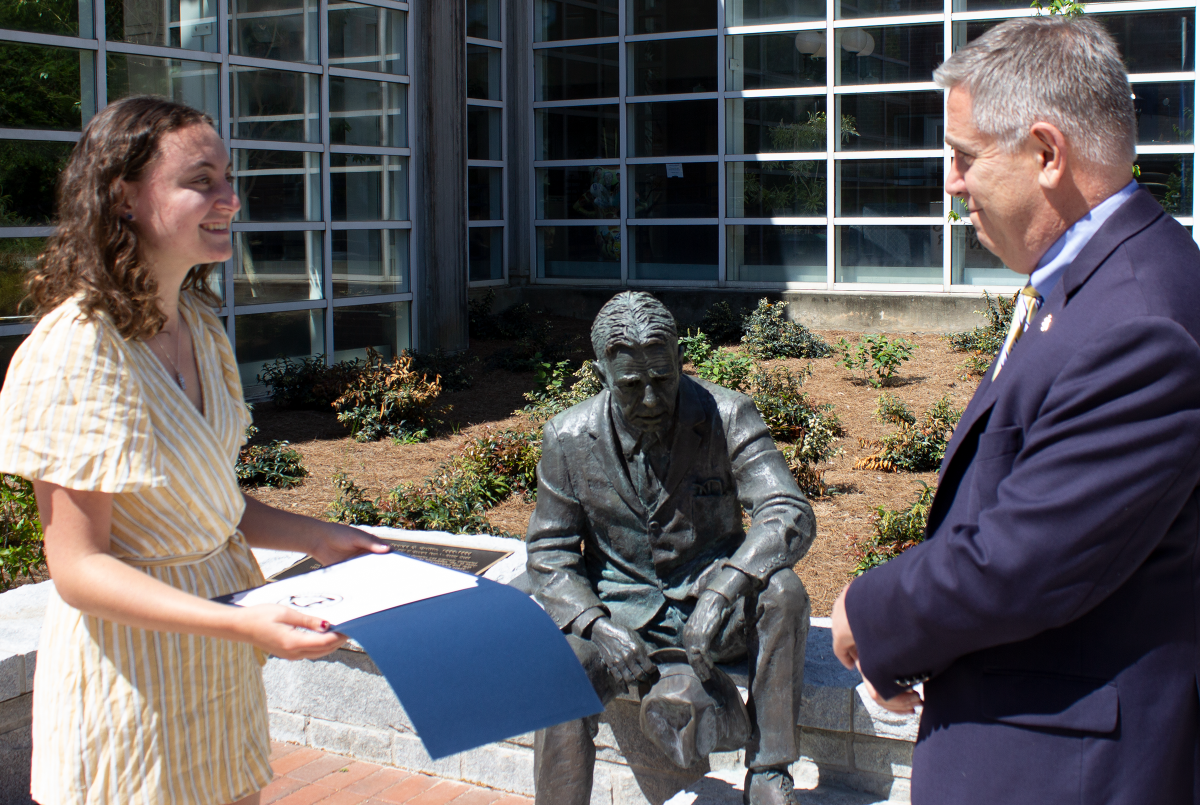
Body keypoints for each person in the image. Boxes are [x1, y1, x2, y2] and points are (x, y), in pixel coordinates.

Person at [830, 16, 1200, 803]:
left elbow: (1026, 556)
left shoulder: (1138, 318)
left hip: (1068, 768)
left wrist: (873, 616)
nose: (951, 182)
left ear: (1046, 153)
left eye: (964, 157)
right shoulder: (1097, 279)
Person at [0, 97, 389, 805]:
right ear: (123, 195)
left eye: (228, 178)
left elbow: (212, 505)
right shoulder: (76, 350)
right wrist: (245, 621)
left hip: (216, 670)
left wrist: (325, 537)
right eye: (201, 180)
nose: (229, 199)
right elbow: (78, 568)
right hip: (130, 687)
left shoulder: (201, 327)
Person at [526, 291, 814, 805]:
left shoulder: (727, 415)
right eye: (632, 386)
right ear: (602, 374)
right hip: (618, 612)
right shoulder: (567, 436)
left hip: (713, 604)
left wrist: (726, 588)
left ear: (681, 361)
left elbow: (786, 511)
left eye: (663, 379)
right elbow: (549, 553)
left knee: (784, 594)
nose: (652, 400)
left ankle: (770, 770)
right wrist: (597, 626)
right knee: (559, 672)